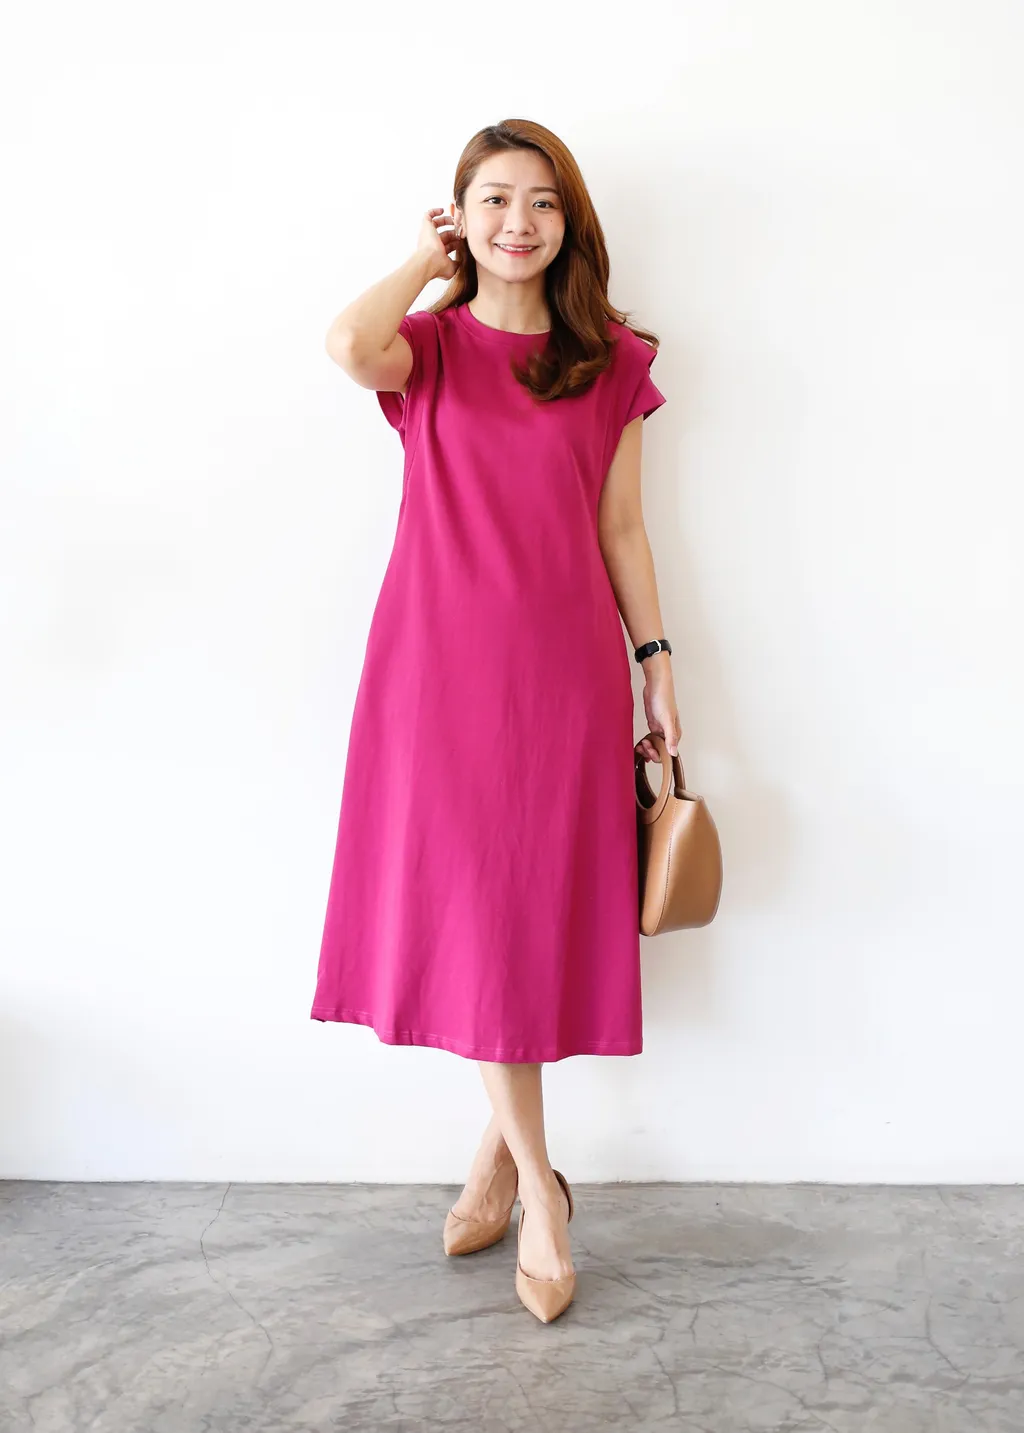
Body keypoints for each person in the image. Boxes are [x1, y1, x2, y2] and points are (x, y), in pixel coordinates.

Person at [310, 118, 682, 1323]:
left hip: (563, 677)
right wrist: (425, 265)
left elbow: (621, 529)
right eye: (494, 201)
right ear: (461, 217)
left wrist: (656, 663)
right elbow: (344, 342)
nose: (519, 221)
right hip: (435, 677)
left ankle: (499, 1162)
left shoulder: (610, 363)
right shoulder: (423, 350)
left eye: (542, 201)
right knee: (478, 921)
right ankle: (542, 1191)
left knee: (524, 924)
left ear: (569, 223)